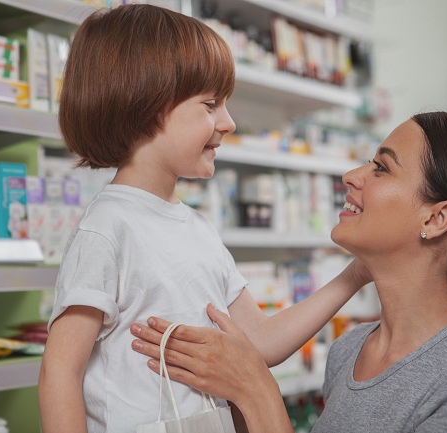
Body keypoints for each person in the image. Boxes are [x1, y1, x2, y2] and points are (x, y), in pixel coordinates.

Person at [37, 4, 370, 433]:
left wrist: (354, 276)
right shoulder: (109, 228)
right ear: (145, 104)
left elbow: (260, 343)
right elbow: (60, 372)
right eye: (210, 104)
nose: (228, 123)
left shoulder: (197, 229)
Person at [130, 111, 447, 433]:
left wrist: (256, 390)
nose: (351, 176)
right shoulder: (350, 350)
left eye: (381, 168)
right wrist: (230, 394)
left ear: (438, 216)